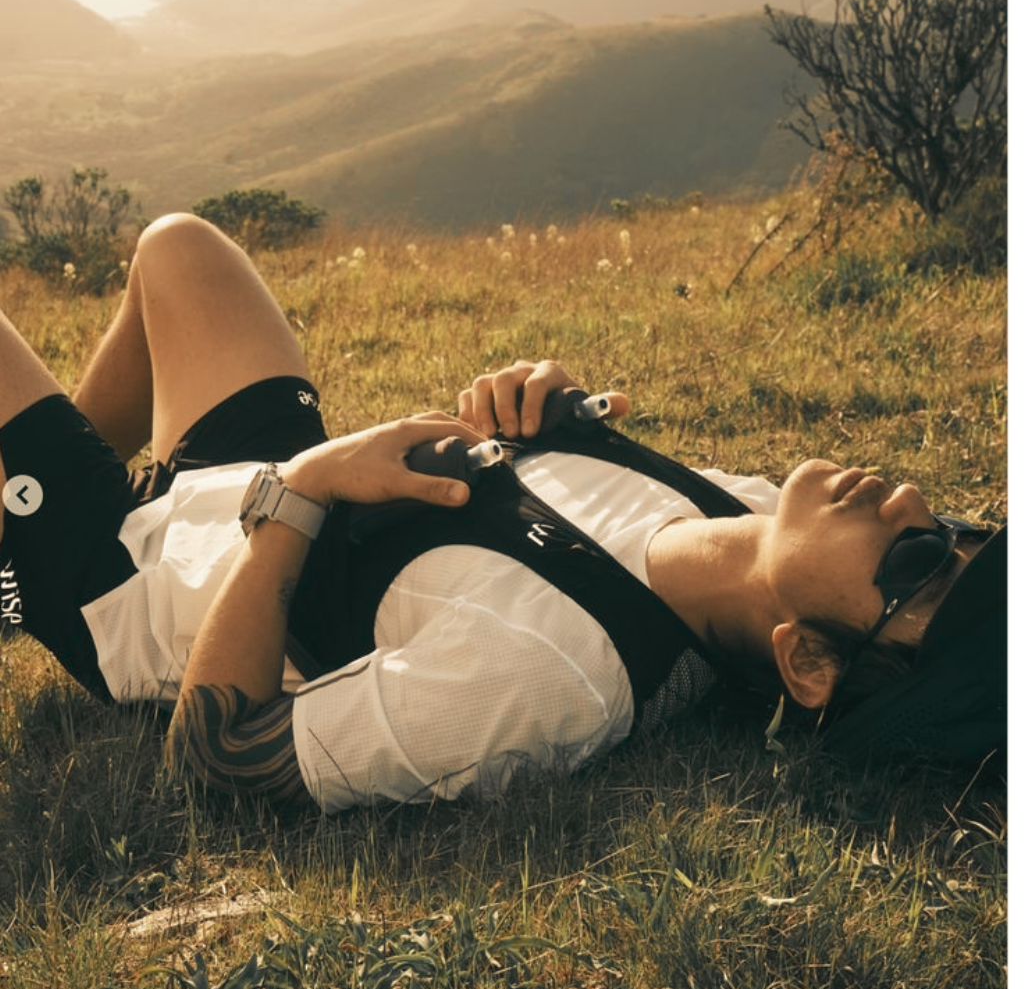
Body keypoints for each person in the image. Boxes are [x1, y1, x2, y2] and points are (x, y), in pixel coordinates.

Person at [0, 214, 1005, 816]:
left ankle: (38, 543)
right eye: (959, 532)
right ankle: (31, 492)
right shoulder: (741, 511)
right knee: (178, 246)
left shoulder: (548, 674)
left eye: (916, 562)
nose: (911, 504)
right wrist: (536, 419)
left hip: (135, 579)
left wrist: (300, 491)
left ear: (810, 664)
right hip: (237, 477)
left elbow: (217, 760)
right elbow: (535, 510)